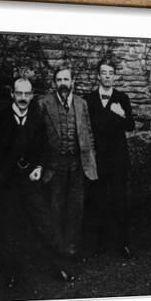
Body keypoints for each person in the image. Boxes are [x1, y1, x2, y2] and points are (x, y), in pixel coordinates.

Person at [0, 77, 75, 282]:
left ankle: (59, 267)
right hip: (7, 182)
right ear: (12, 94)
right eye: (19, 93)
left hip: (30, 180)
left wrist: (38, 167)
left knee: (45, 222)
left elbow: (45, 148)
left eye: (27, 94)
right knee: (8, 226)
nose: (23, 98)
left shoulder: (37, 117)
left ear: (32, 95)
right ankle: (10, 274)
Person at [37, 65, 98, 261]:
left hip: (77, 164)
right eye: (59, 80)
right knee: (55, 206)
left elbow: (88, 133)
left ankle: (72, 248)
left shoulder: (81, 103)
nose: (63, 83)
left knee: (75, 207)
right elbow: (36, 136)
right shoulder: (43, 103)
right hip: (54, 165)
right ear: (54, 83)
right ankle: (57, 248)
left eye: (66, 79)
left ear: (73, 82)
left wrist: (90, 162)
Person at [85, 58, 136, 260]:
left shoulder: (122, 98)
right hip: (98, 158)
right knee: (98, 200)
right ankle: (100, 242)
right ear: (98, 76)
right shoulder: (88, 100)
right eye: (103, 72)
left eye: (110, 72)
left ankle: (122, 243)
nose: (107, 76)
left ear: (115, 76)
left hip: (118, 159)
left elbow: (131, 126)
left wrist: (121, 114)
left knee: (120, 201)